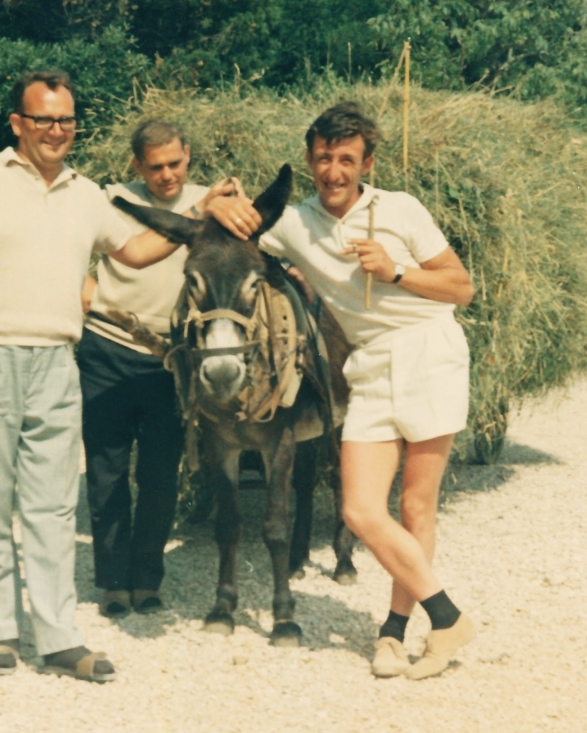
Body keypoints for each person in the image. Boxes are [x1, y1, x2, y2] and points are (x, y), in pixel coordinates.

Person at [0, 70, 184, 682]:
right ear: (17, 123)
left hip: (56, 364)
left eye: (67, 120)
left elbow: (137, 251)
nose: (56, 131)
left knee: (50, 509)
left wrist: (206, 217)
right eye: (43, 119)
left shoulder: (85, 194)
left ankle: (59, 637)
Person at [208, 102, 476, 680]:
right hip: (367, 366)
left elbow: (461, 287)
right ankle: (448, 615)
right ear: (310, 160)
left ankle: (394, 633)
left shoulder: (400, 211)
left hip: (428, 350)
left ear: (366, 163)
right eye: (324, 158)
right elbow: (231, 226)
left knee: (415, 506)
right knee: (358, 509)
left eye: (346, 159)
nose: (334, 170)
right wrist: (215, 199)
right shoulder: (293, 222)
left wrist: (397, 272)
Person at [78, 120, 238, 618]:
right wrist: (87, 295)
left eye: (175, 163)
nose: (167, 175)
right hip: (107, 347)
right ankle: (111, 581)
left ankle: (147, 580)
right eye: (155, 167)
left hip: (172, 359)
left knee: (159, 474)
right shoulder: (111, 200)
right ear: (136, 166)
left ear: (188, 154)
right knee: (105, 472)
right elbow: (65, 258)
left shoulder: (215, 201)